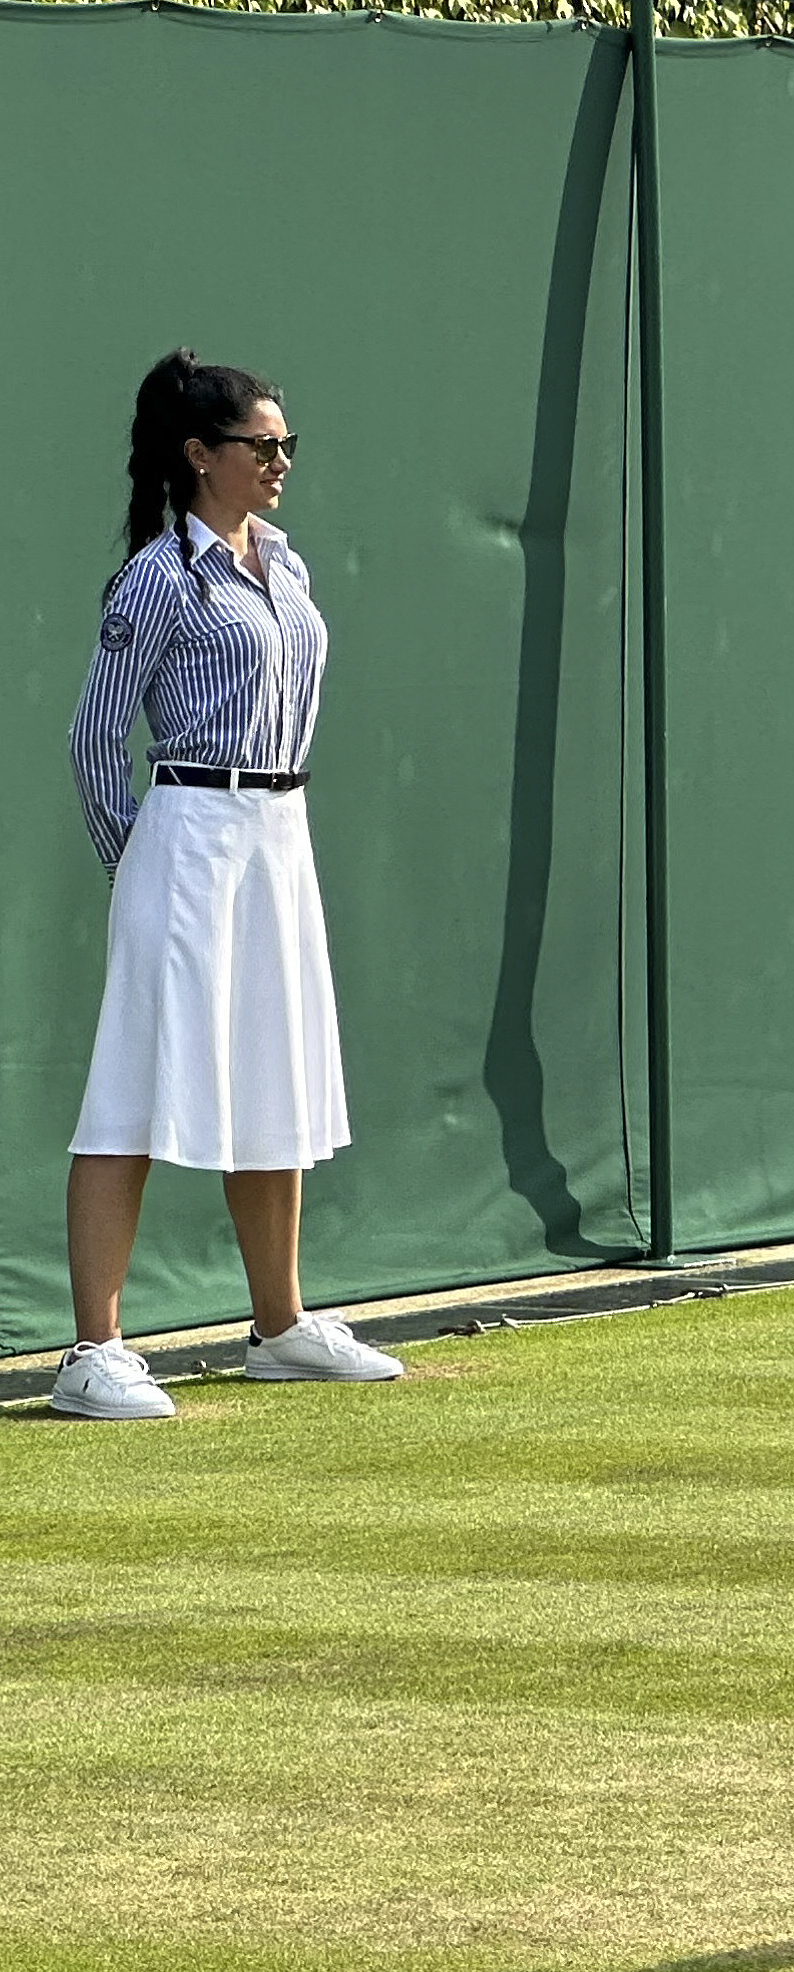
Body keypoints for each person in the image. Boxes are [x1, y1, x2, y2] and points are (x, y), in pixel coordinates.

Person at [51, 351, 400, 1422]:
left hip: (278, 835)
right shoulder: (157, 577)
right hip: (188, 834)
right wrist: (143, 863)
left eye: (287, 443)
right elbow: (93, 740)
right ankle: (93, 1353)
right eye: (262, 445)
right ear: (201, 456)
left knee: (273, 1074)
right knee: (133, 1090)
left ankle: (281, 1327)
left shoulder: (286, 567)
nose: (280, 460)